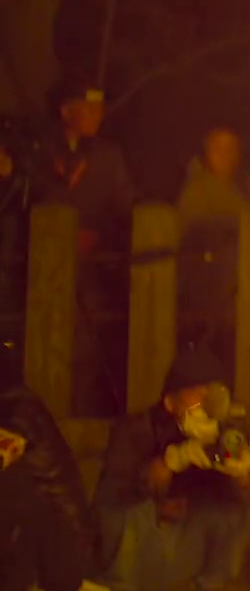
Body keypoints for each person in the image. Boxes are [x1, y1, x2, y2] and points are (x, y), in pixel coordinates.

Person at [0, 80, 136, 414]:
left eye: (100, 106)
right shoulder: (37, 152)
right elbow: (18, 205)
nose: (97, 114)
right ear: (66, 110)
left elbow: (126, 211)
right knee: (32, 347)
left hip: (88, 272)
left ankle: (79, 419)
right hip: (36, 269)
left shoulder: (108, 158)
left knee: (86, 350)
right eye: (88, 106)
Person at [94, 350, 250, 591]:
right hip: (140, 545)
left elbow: (249, 489)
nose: (205, 403)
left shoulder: (221, 433)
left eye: (211, 394)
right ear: (170, 402)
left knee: (235, 509)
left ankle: (213, 586)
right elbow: (115, 494)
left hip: (183, 546)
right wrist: (164, 473)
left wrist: (246, 476)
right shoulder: (134, 430)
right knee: (129, 513)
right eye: (196, 394)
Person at [0, 384, 113, 591]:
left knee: (15, 487)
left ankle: (23, 590)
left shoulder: (19, 415)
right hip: (50, 544)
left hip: (57, 544)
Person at [176, 127, 247, 370]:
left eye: (231, 150)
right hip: (203, 306)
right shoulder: (194, 195)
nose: (226, 157)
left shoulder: (237, 192)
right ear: (206, 154)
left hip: (229, 302)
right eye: (218, 150)